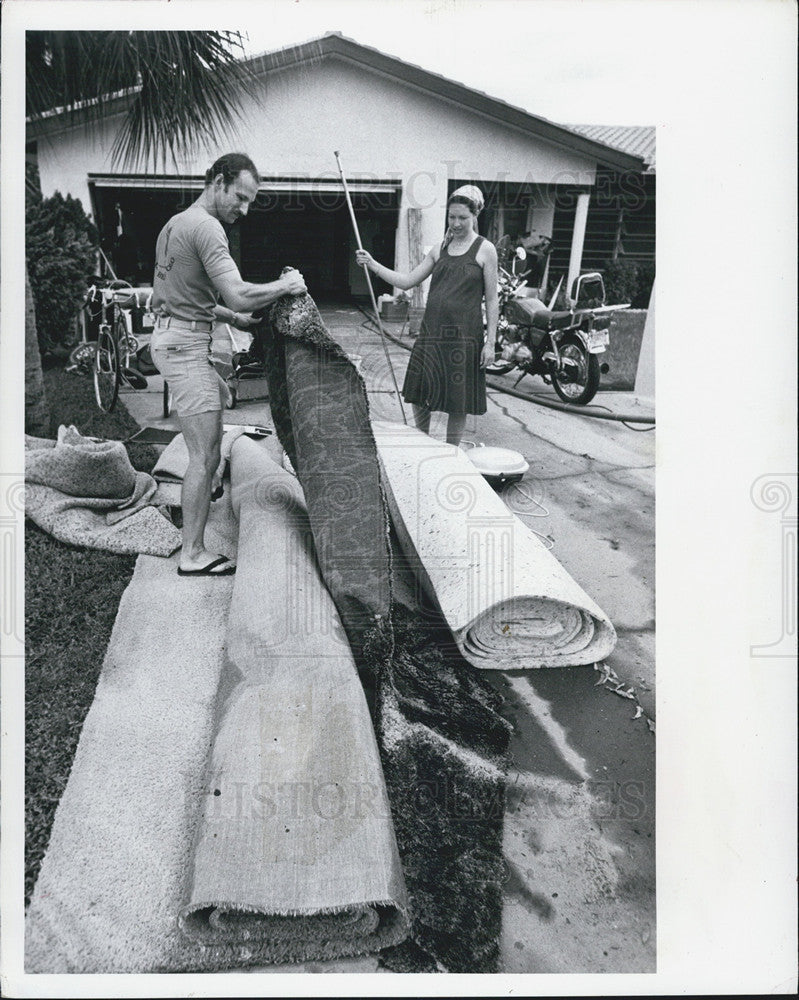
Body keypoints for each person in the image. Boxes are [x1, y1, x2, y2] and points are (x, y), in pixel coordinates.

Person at [150, 152, 307, 576]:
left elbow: (176, 295)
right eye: (240, 197)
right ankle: (193, 555)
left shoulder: (176, 223)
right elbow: (237, 291)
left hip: (173, 337)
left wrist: (232, 319)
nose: (245, 209)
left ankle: (203, 495)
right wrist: (285, 285)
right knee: (204, 456)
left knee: (217, 417)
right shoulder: (208, 228)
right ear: (218, 181)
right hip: (184, 348)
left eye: (251, 201)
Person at [356, 185, 498, 447]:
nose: (455, 223)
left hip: (464, 336)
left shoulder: (485, 249)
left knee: (458, 401)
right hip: (432, 332)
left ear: (475, 216)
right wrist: (373, 264)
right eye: (451, 217)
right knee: (420, 392)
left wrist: (490, 343)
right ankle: (422, 443)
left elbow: (492, 298)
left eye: (462, 218)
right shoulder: (439, 249)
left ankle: (451, 454)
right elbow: (407, 281)